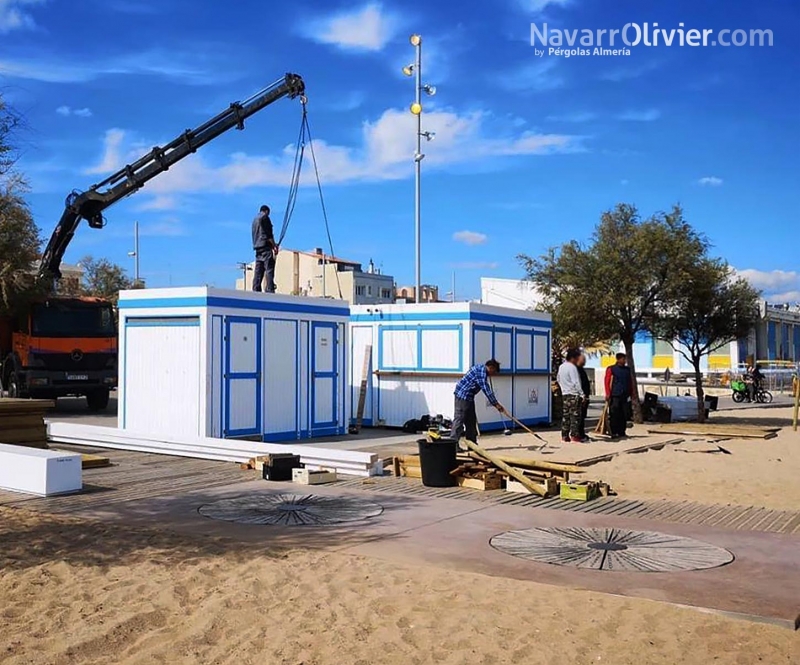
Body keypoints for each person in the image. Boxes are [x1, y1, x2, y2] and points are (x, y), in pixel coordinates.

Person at [451, 359, 504, 446]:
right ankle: (453, 444)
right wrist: (496, 404)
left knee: (471, 421)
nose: (493, 374)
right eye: (493, 372)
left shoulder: (481, 370)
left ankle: (472, 444)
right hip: (462, 396)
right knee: (459, 420)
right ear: (491, 368)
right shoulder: (481, 372)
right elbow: (486, 390)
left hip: (469, 398)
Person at [557, 349, 584, 443]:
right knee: (575, 416)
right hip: (574, 394)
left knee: (566, 416)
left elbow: (558, 379)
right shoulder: (572, 367)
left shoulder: (561, 367)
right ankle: (574, 436)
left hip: (565, 393)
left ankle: (564, 436)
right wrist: (581, 394)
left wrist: (563, 389)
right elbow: (576, 381)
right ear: (573, 358)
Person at [604, 352, 634, 439]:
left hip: (625, 395)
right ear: (618, 359)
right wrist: (608, 393)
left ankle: (622, 431)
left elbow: (630, 382)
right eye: (623, 359)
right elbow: (607, 381)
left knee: (624, 414)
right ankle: (614, 431)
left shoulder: (627, 370)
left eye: (625, 359)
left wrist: (631, 393)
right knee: (614, 414)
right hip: (615, 395)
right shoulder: (611, 369)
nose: (624, 361)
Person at [251, 205, 277, 292]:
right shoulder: (265, 217)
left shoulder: (254, 220)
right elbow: (268, 234)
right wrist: (274, 246)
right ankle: (270, 289)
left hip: (258, 249)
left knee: (258, 272)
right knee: (269, 269)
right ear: (266, 211)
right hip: (266, 248)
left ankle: (256, 290)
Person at [576, 352, 591, 442]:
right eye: (583, 359)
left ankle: (581, 433)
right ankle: (578, 434)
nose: (584, 361)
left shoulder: (582, 370)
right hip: (580, 397)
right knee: (579, 417)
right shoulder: (576, 370)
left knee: (582, 416)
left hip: (585, 396)